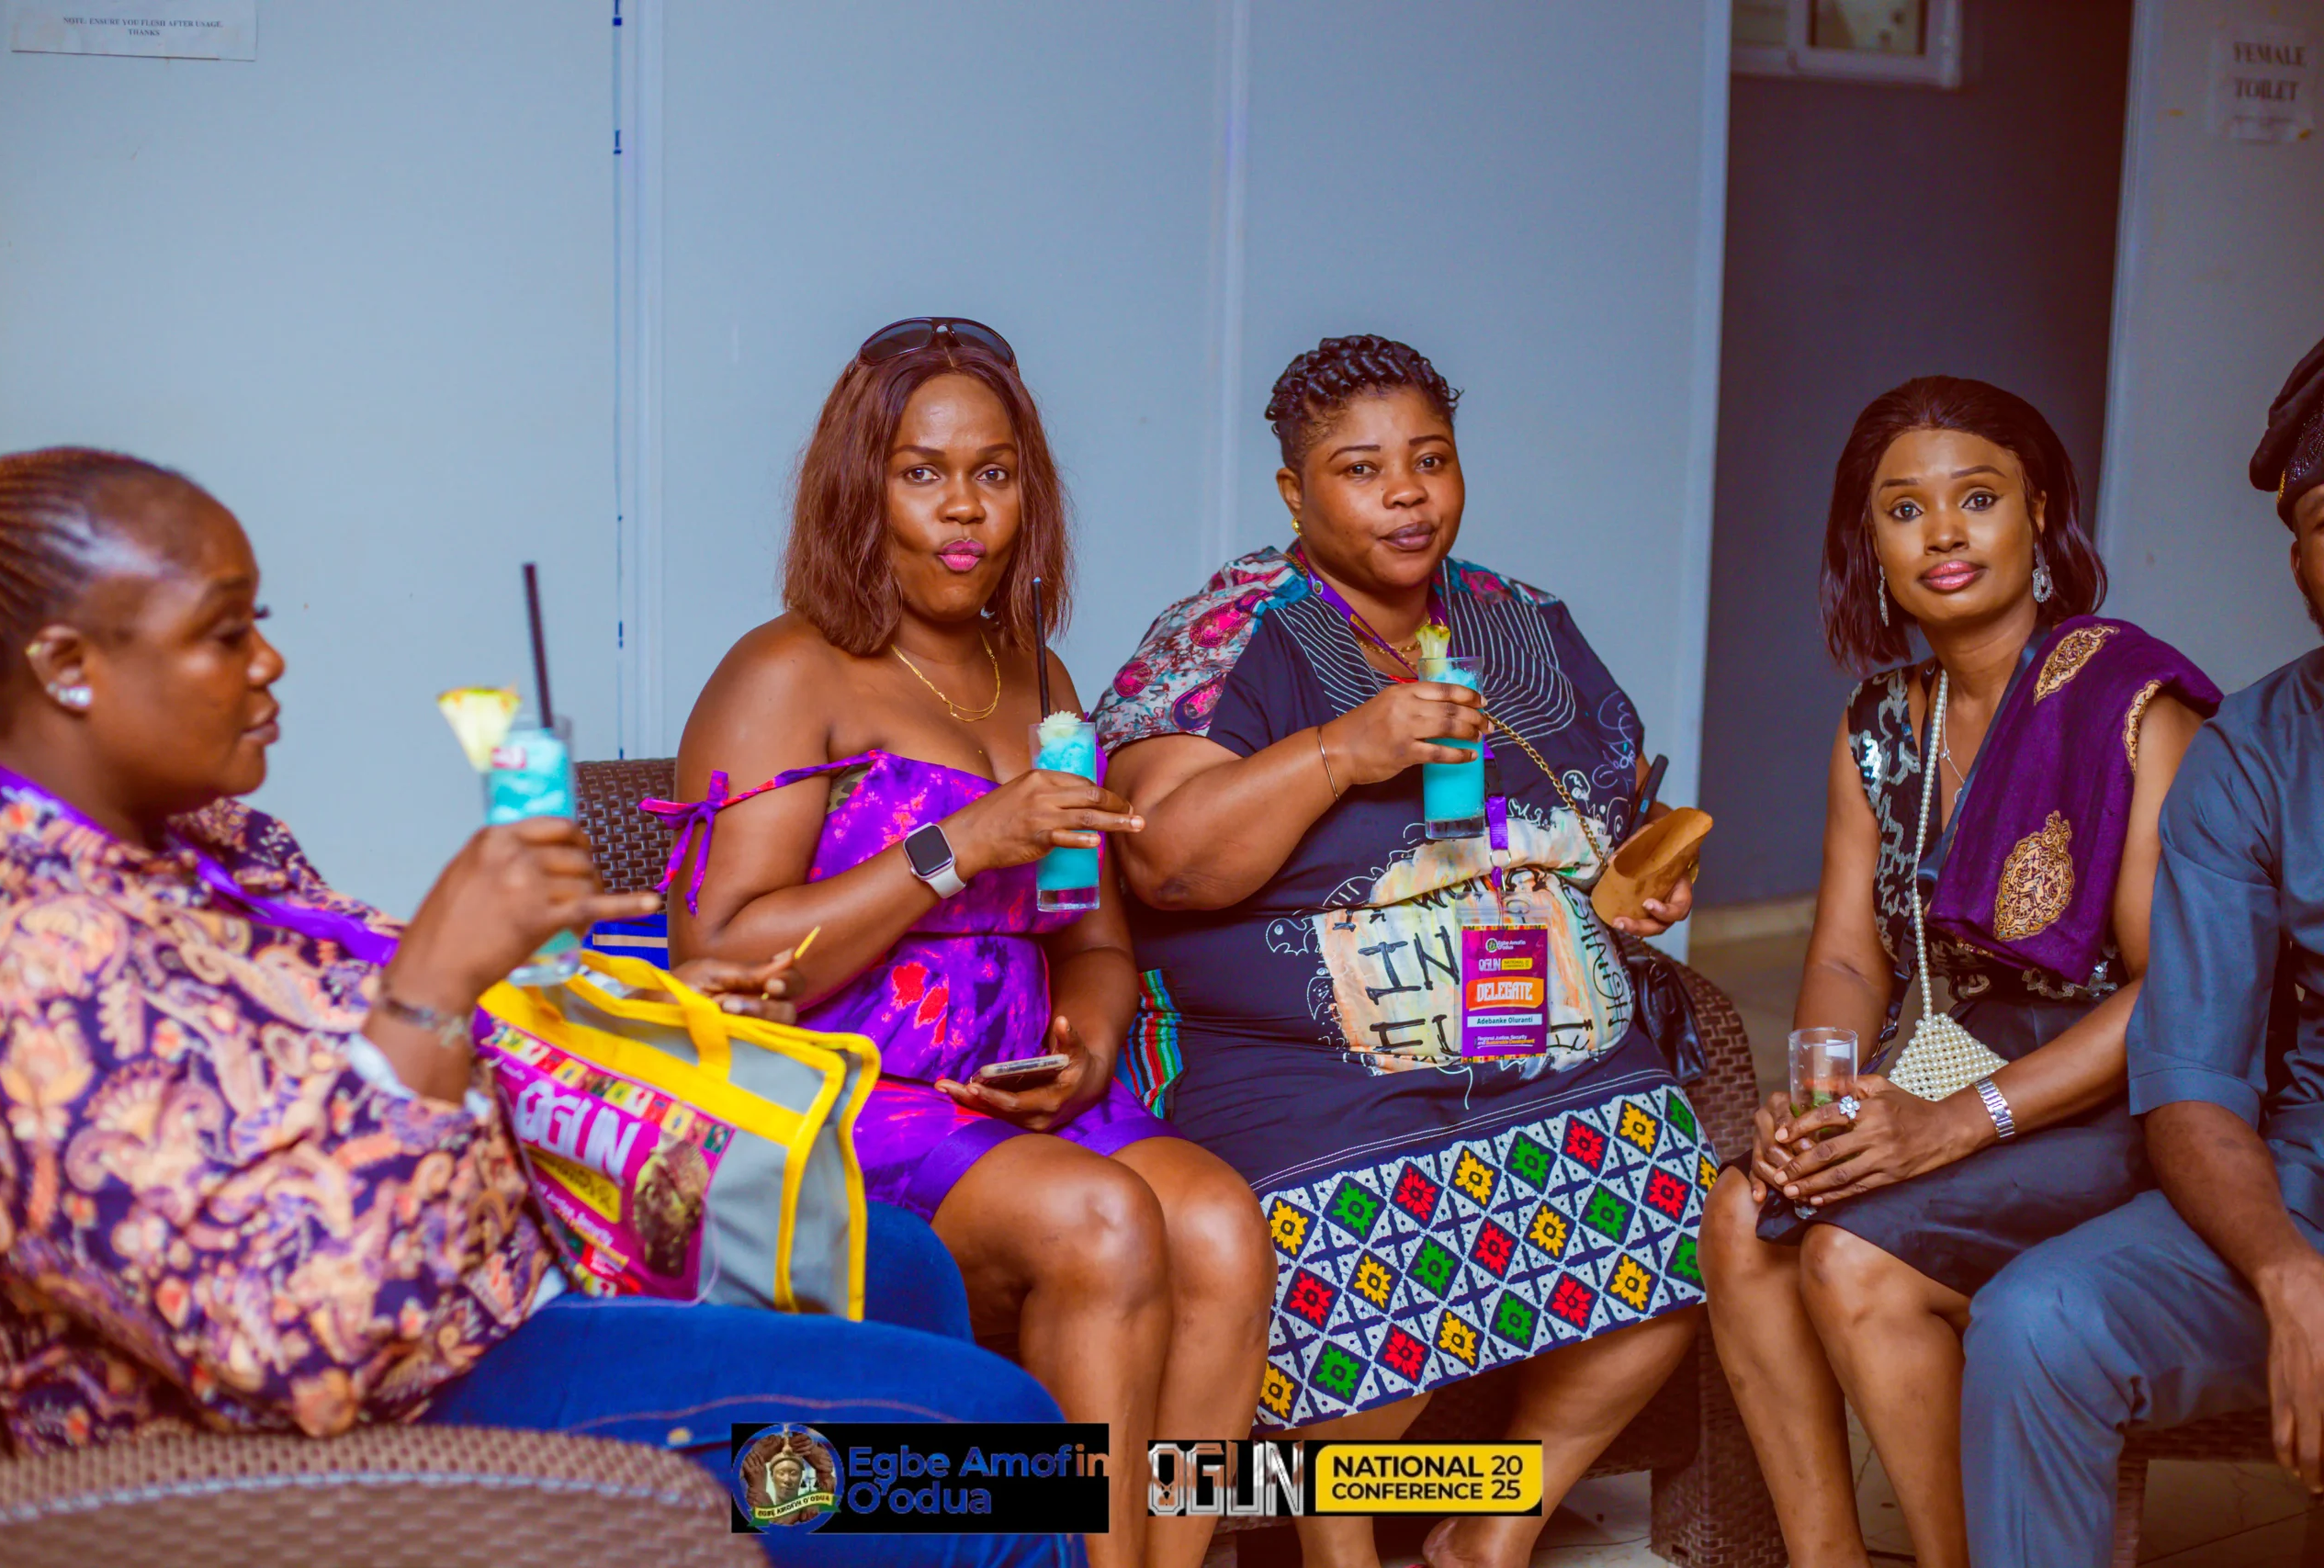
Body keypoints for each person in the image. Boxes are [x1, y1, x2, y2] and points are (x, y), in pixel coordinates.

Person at [0, 446, 1077, 1568]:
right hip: (381, 1433)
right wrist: (432, 985)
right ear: (67, 664)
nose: (270, 659)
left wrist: (637, 1009)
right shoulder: (25, 959)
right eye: (223, 634)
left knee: (901, 1269)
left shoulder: (214, 845)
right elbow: (294, 1351)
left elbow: (363, 1054)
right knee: (1001, 1460)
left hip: (505, 1281)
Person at [662, 318, 1271, 1568]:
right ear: (861, 489)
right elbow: (717, 951)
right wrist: (959, 843)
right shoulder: (787, 672)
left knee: (1217, 1221)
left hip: (1021, 1099)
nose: (963, 509)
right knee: (1103, 1220)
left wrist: (1086, 1046)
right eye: (921, 472)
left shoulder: (1039, 677)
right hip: (851, 1100)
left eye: (993, 473)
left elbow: (1093, 938)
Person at [1098, 334, 1710, 1568]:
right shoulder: (1226, 636)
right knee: (1374, 1255)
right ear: (1294, 491)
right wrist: (1344, 750)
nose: (1406, 494)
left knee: (1690, 1226)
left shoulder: (1521, 620)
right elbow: (1165, 860)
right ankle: (1341, 1549)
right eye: (1362, 468)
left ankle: (1490, 1531)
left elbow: (1591, 812)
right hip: (1300, 1063)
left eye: (1430, 459)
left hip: (1536, 1033)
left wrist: (1623, 886)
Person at [1696, 377, 2215, 1568]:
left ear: (2040, 514)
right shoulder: (1880, 724)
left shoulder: (2130, 705)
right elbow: (1844, 952)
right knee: (1742, 1215)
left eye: (1977, 497)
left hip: (2129, 1090)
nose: (1942, 531)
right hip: (1955, 1049)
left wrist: (1954, 1122)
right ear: (1869, 545)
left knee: (1850, 1256)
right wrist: (1820, 1097)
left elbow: (2175, 994)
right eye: (1904, 508)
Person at [1958, 337, 2324, 1566]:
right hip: (2304, 1185)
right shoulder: (2254, 752)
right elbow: (2193, 1080)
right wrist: (2285, 1271)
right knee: (2038, 1322)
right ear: (2296, 561)